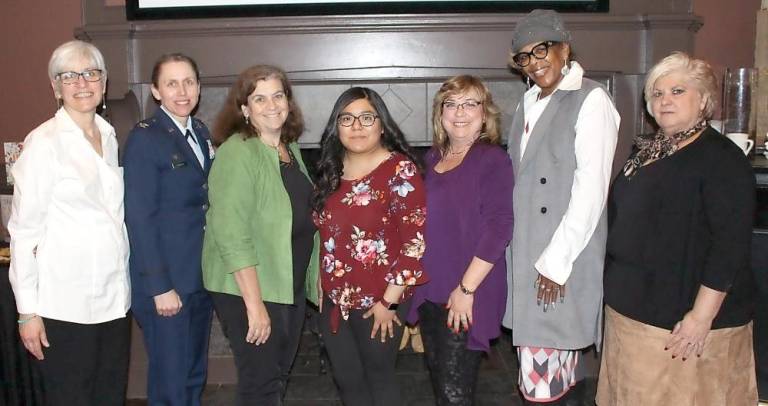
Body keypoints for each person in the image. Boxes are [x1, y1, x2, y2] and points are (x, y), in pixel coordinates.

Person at [597, 52, 758, 405]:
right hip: (633, 317)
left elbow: (729, 246)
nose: (665, 100)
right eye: (657, 93)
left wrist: (700, 318)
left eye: (677, 90)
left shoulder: (721, 159)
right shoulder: (649, 151)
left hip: (681, 329)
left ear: (703, 99)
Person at [504, 9, 620, 405]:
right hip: (527, 256)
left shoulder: (591, 99)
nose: (535, 62)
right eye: (524, 56)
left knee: (542, 384)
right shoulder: (528, 103)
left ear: (564, 47)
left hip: (558, 262)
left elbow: (591, 190)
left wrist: (555, 264)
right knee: (552, 379)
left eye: (543, 49)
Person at [8, 40, 130, 406]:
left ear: (104, 83)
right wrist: (27, 311)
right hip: (64, 307)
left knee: (109, 397)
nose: (82, 82)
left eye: (91, 73)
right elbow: (24, 232)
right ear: (55, 87)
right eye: (69, 75)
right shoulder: (44, 143)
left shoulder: (108, 136)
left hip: (113, 301)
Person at [202, 65, 319, 406]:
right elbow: (231, 233)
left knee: (278, 375)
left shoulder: (288, 149)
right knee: (261, 384)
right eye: (259, 98)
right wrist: (254, 305)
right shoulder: (236, 152)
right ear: (244, 109)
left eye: (278, 95)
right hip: (250, 289)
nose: (271, 105)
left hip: (287, 283)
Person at [312, 87, 428, 406]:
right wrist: (321, 280)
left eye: (366, 117)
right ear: (336, 126)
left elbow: (414, 244)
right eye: (346, 118)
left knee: (379, 376)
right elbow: (325, 233)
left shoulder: (399, 170)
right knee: (348, 381)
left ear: (381, 124)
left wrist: (388, 303)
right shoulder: (331, 171)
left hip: (381, 300)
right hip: (335, 300)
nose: (357, 126)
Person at [406, 75, 513, 405]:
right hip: (431, 290)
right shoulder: (433, 158)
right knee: (442, 384)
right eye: (451, 104)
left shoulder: (492, 159)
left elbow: (500, 227)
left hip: (466, 291)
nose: (460, 112)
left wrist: (467, 290)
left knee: (455, 393)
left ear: (485, 113)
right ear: (440, 114)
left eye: (470, 104)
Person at [123, 53, 214, 406]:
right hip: (166, 284)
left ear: (199, 88)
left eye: (188, 82)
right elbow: (139, 216)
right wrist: (160, 287)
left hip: (197, 277)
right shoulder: (146, 138)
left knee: (193, 374)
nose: (182, 91)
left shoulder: (200, 131)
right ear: (156, 91)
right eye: (172, 83)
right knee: (171, 383)